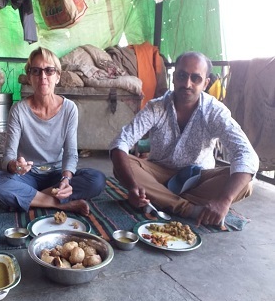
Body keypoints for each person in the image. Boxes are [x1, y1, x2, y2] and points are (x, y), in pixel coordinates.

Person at [110, 51, 259, 226]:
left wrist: (224, 200)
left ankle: (160, 199)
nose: (187, 84)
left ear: (205, 83)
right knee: (124, 163)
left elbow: (246, 154)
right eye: (182, 76)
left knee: (245, 184)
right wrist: (133, 186)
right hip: (158, 174)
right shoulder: (156, 107)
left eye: (195, 78)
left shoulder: (215, 111)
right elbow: (121, 142)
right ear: (174, 78)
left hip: (197, 180)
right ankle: (188, 209)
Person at [0, 47, 106, 216]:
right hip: (27, 177)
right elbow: (8, 158)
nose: (43, 77)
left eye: (49, 70)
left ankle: (29, 199)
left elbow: (71, 153)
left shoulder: (69, 109)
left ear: (58, 76)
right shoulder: (18, 110)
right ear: (29, 77)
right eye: (36, 71)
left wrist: (66, 179)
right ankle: (59, 204)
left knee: (96, 180)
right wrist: (16, 167)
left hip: (56, 175)